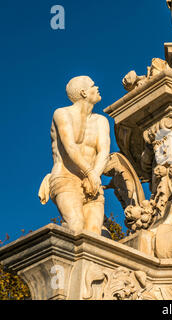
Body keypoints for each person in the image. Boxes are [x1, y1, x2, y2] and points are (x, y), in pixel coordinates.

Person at [39, 76, 110, 234]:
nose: (97, 87)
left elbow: (104, 152)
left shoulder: (101, 121)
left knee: (94, 233)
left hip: (93, 182)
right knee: (76, 226)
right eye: (93, 85)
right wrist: (90, 173)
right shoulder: (62, 114)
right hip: (66, 178)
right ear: (84, 92)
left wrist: (94, 177)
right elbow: (70, 146)